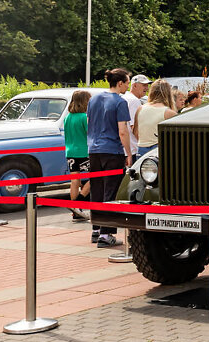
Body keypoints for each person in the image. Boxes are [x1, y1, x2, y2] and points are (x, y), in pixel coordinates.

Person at [87, 69, 133, 247]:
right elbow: (123, 131)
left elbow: (90, 123)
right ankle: (106, 234)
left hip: (94, 149)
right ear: (120, 83)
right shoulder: (120, 102)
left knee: (96, 189)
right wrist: (128, 153)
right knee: (110, 191)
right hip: (112, 150)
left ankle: (96, 229)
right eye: (127, 82)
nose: (128, 86)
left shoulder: (94, 99)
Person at [64, 90, 92, 221]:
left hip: (70, 151)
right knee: (95, 178)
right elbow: (90, 133)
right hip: (84, 152)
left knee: (75, 180)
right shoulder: (84, 117)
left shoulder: (68, 117)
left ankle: (76, 212)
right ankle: (78, 203)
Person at [134, 79, 177, 156]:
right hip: (159, 148)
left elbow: (135, 132)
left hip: (141, 147)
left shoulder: (140, 109)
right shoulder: (169, 113)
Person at [121, 74, 150, 160]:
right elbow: (134, 127)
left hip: (122, 148)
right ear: (134, 85)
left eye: (147, 85)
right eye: (144, 85)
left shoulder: (125, 97)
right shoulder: (134, 101)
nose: (147, 88)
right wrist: (145, 144)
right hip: (131, 149)